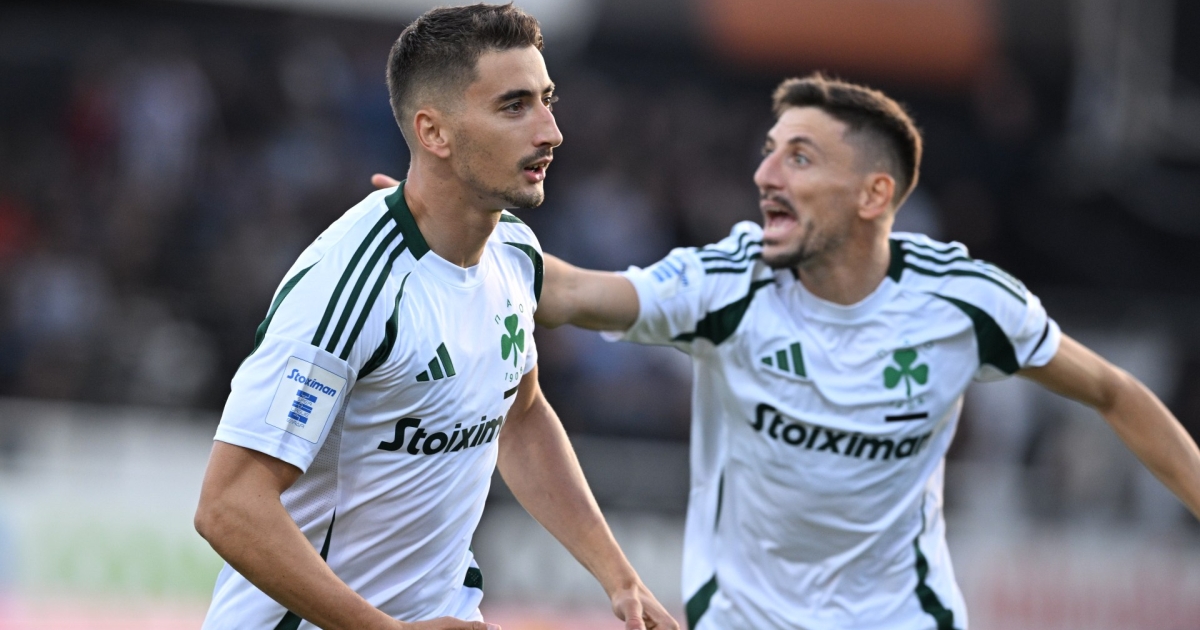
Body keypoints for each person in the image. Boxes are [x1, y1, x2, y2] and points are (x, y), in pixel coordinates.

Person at [376, 73, 1200, 629]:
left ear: (875, 194)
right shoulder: (729, 284)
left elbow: (1115, 392)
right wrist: (457, 226)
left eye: (799, 157)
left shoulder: (964, 304)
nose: (766, 173)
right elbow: (568, 292)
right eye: (769, 150)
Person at [194, 5, 678, 630]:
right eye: (514, 106)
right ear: (434, 133)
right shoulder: (353, 286)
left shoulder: (513, 252)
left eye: (547, 100)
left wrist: (619, 577)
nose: (551, 131)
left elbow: (520, 416)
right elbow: (229, 505)